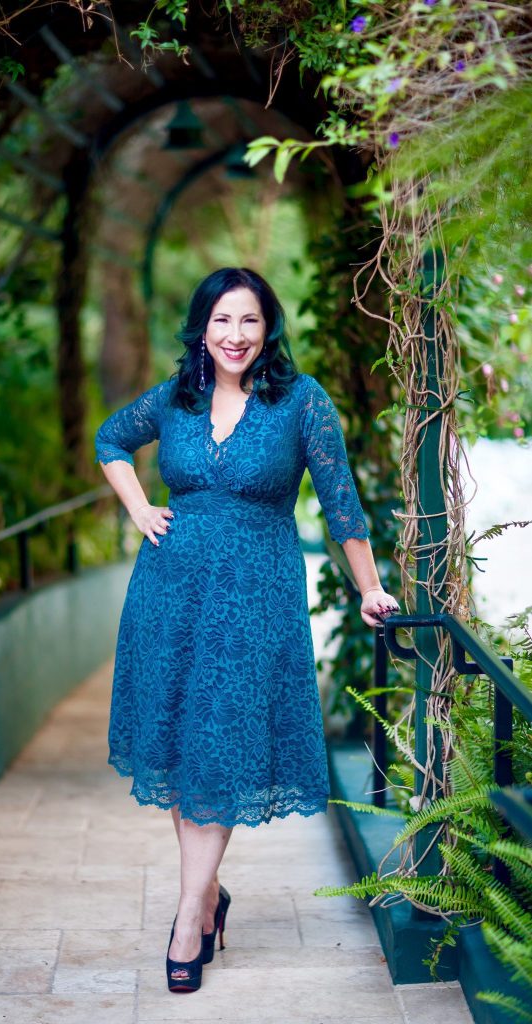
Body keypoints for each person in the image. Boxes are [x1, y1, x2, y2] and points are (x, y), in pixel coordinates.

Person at [94, 267, 399, 993]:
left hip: (256, 599)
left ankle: (187, 913)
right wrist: (138, 507)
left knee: (220, 742)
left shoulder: (301, 401)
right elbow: (110, 439)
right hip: (169, 595)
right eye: (222, 321)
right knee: (182, 742)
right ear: (201, 328)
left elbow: (341, 504)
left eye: (249, 321)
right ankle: (204, 897)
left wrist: (370, 588)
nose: (234, 335)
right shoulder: (176, 397)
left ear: (269, 329)